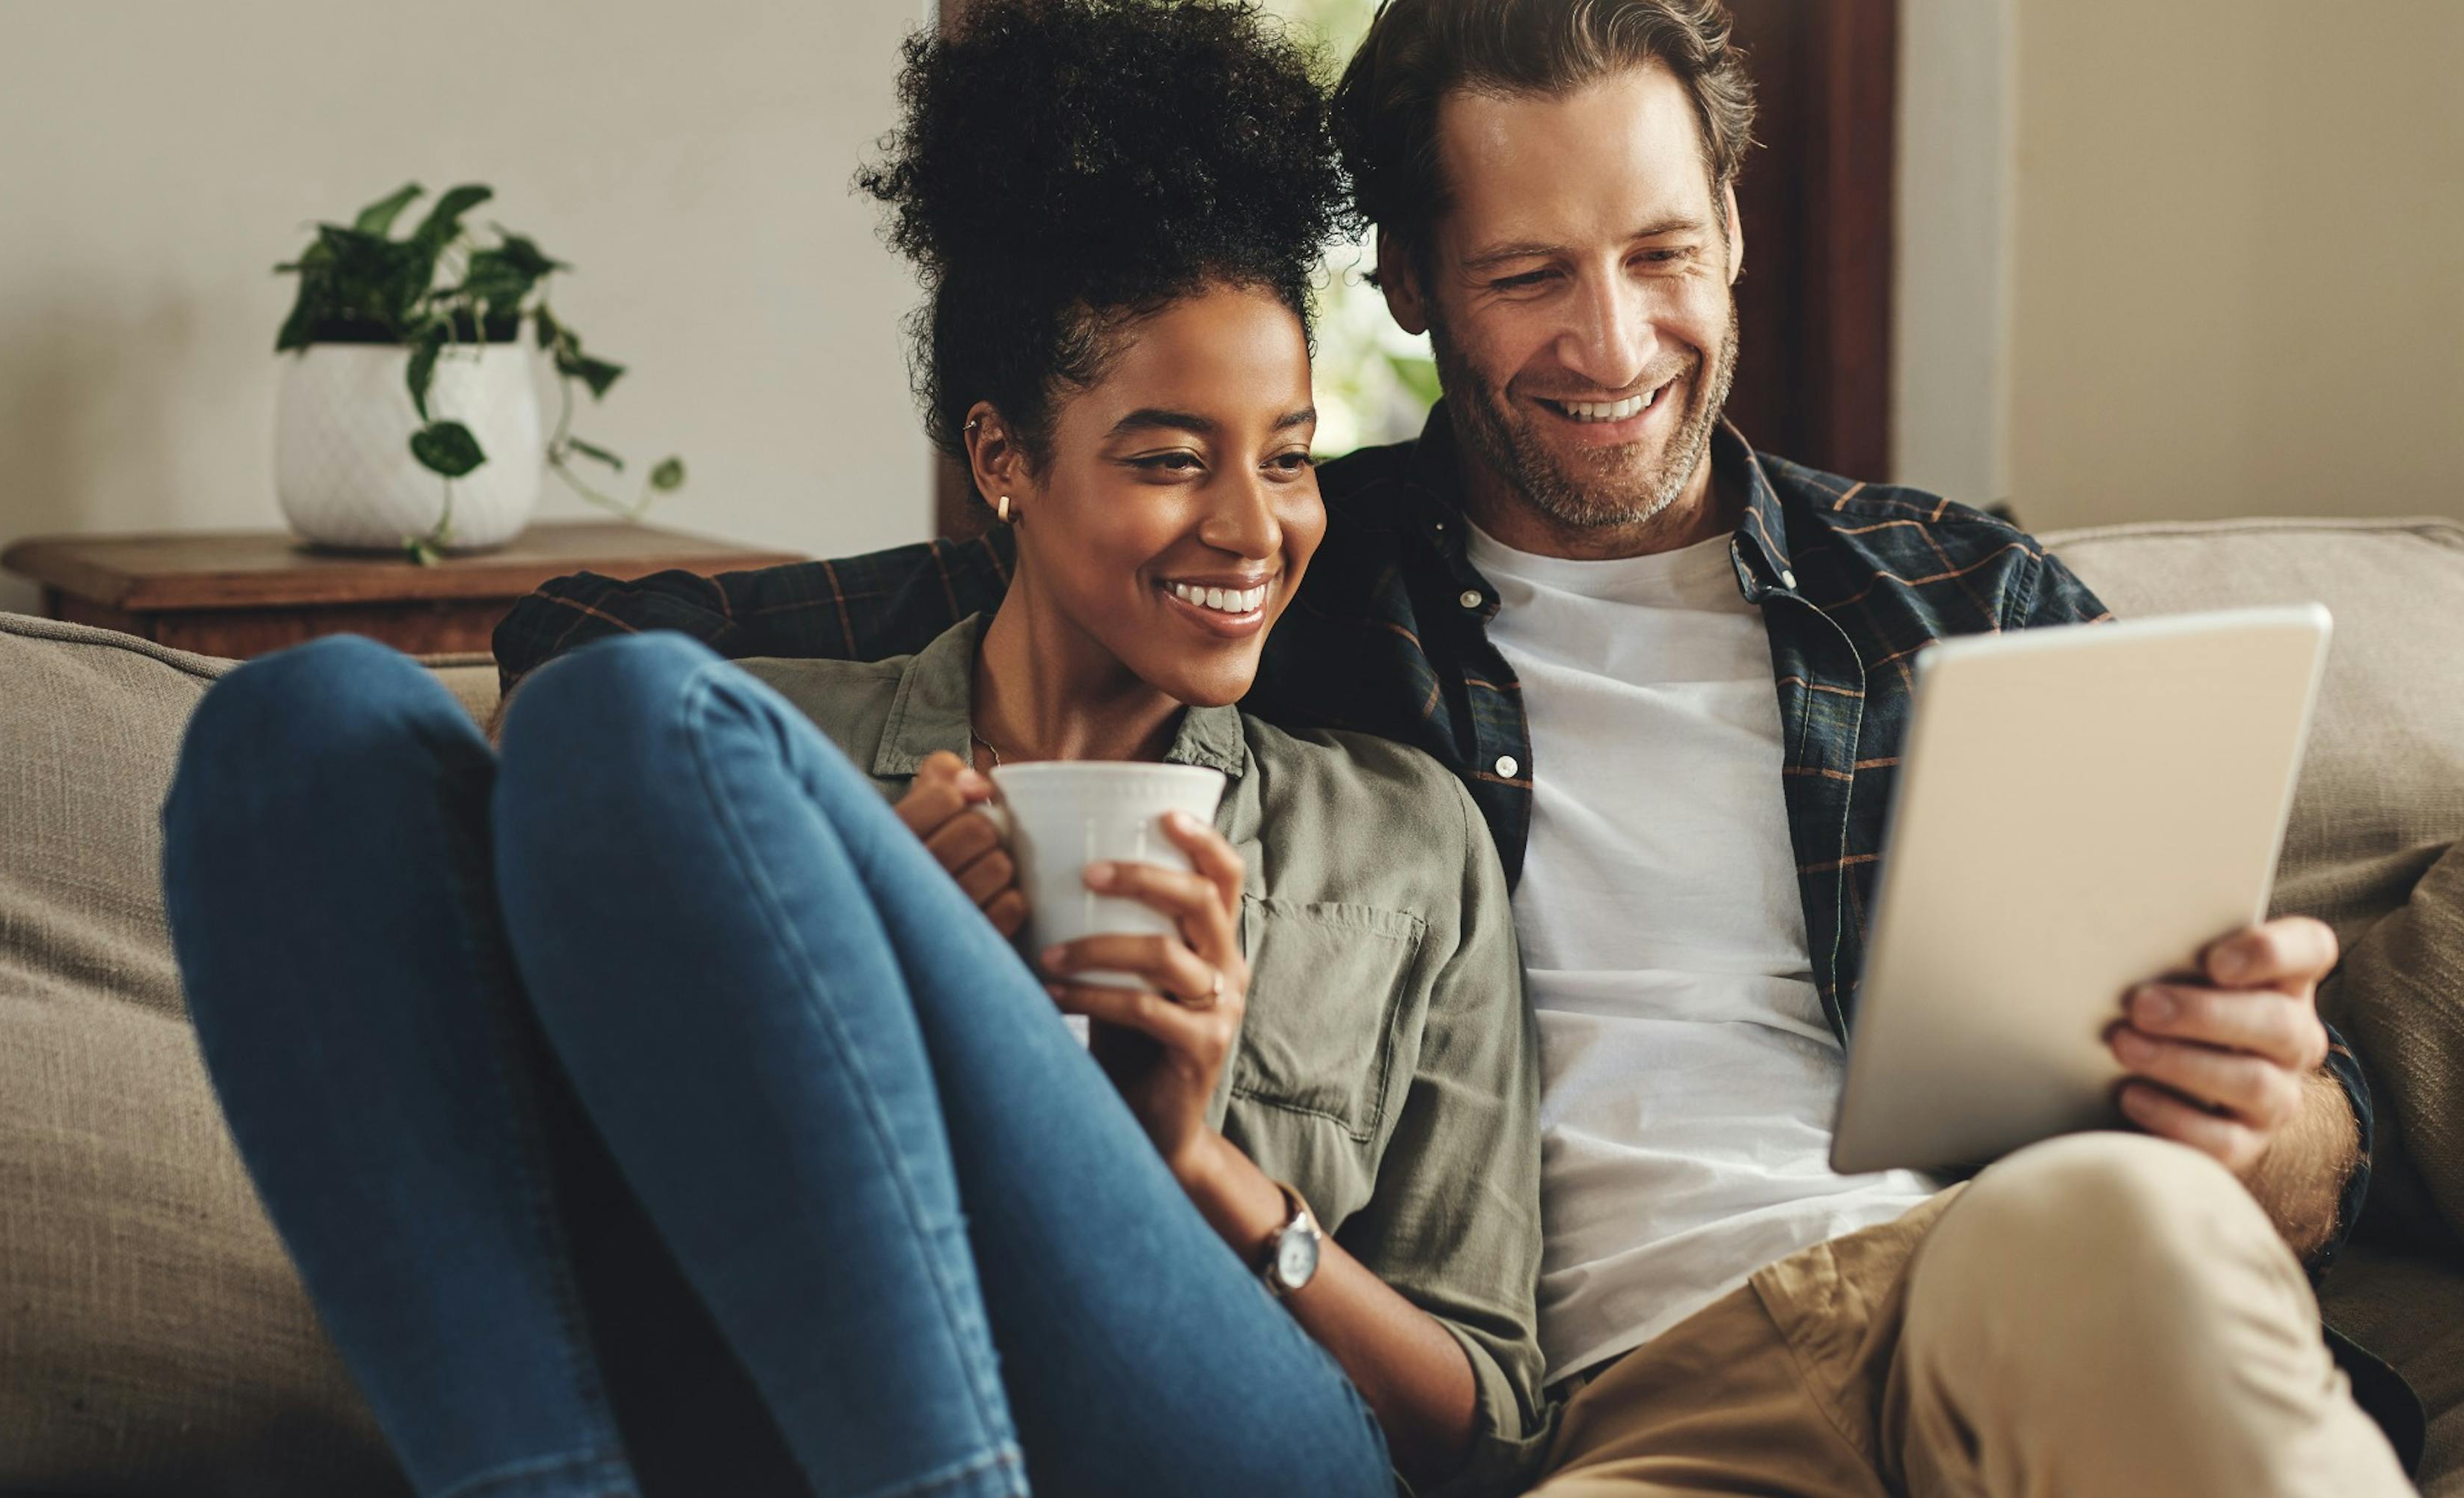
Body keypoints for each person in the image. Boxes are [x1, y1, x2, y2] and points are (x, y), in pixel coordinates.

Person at [493, 1, 2423, 1494]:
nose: (1613, 342)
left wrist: (2284, 1119)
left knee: (2132, 1228)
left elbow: (2322, 1120)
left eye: (1663, 254)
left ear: (1737, 229)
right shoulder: (1276, 577)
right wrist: (865, 853)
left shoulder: (1951, 591)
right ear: (1411, 291)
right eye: (1529, 278)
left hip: (2017, 1284)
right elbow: (604, 657)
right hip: (1632, 1408)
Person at [162, 4, 1551, 1496]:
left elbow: (1480, 1431)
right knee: (294, 727)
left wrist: (1194, 1167)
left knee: (626, 708)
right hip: (779, 1396)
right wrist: (855, 965)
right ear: (1001, 459)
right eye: (1168, 458)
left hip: (1231, 1430)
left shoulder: (1404, 837)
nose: (1252, 526)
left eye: (1287, 456)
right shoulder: (767, 774)